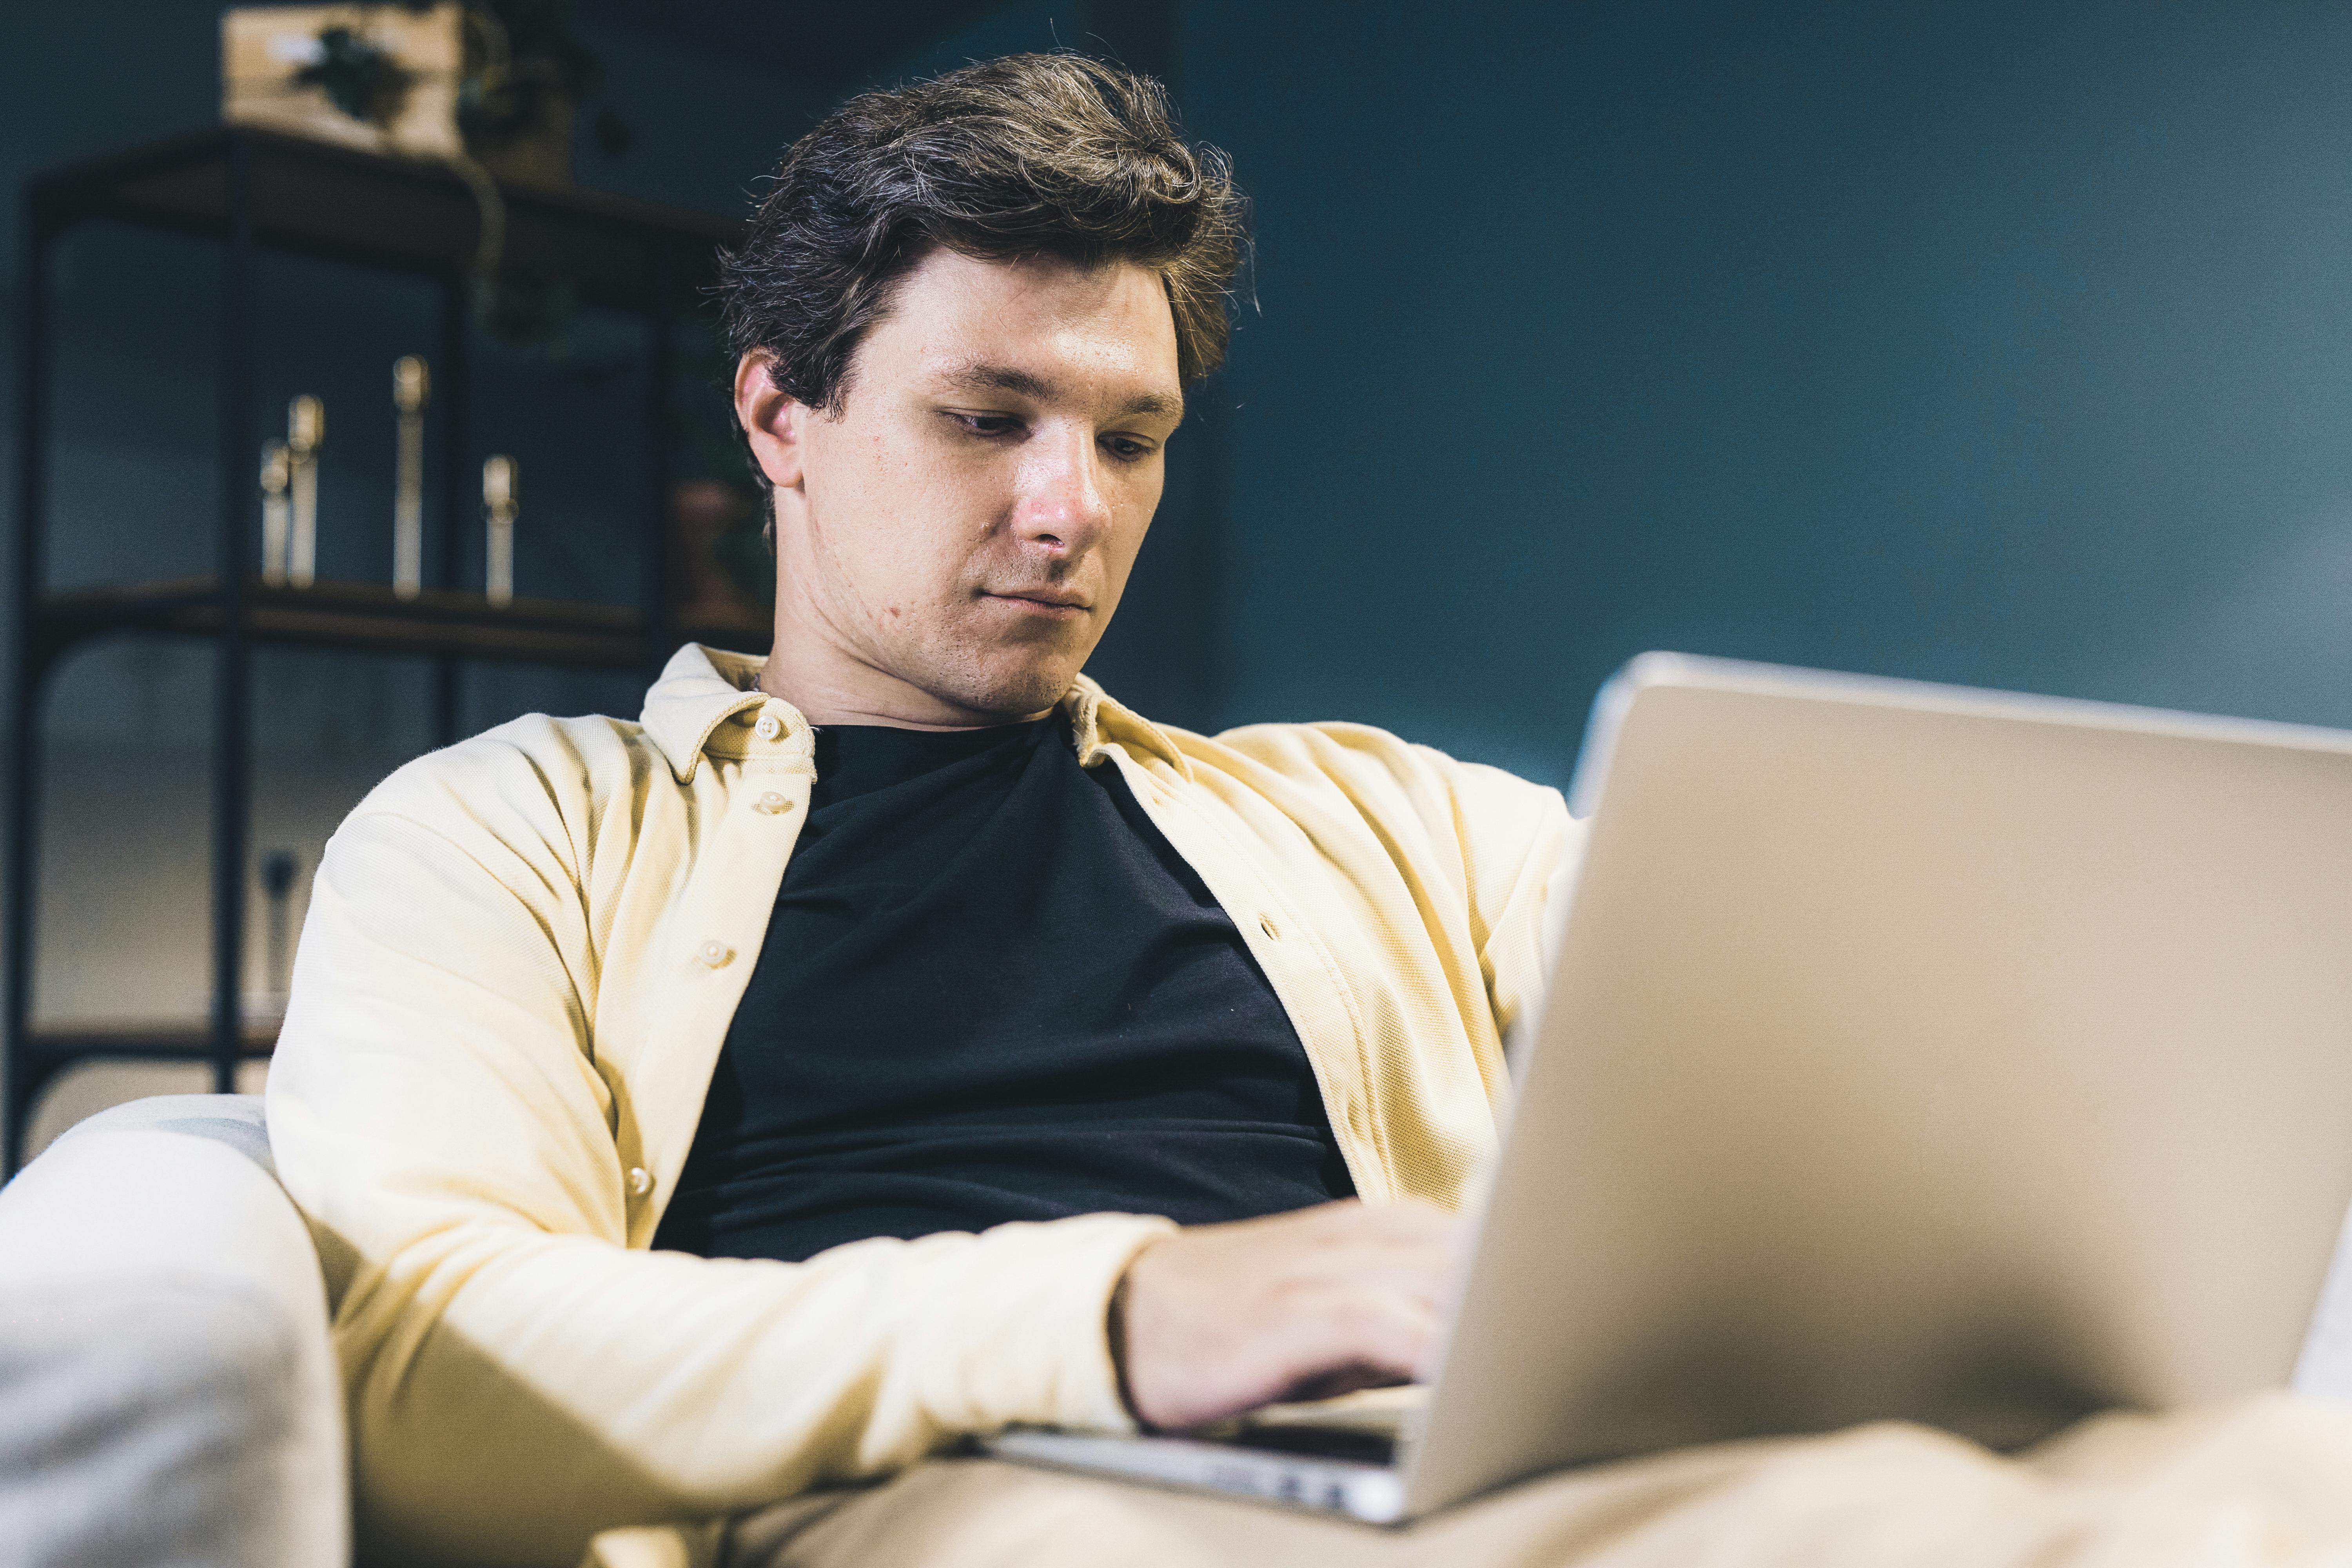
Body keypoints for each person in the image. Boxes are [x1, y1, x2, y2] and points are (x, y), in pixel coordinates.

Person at [268, 51, 2352, 1568]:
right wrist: (1129, 1309)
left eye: (1132, 434)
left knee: (2272, 1479)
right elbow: (432, 1377)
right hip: (956, 1494)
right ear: (780, 415)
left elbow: (1830, 1101)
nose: (1071, 511)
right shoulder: (508, 835)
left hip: (1417, 1463)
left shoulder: (1397, 825)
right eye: (986, 418)